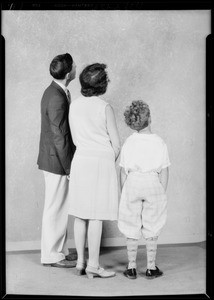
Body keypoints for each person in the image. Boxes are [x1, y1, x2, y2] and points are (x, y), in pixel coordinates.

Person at [68, 63, 120, 278]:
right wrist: (110, 159)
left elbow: (73, 138)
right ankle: (94, 265)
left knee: (80, 214)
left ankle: (80, 262)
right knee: (96, 215)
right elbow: (116, 143)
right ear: (102, 85)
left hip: (80, 159)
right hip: (100, 161)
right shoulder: (104, 107)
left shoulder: (74, 106)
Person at [118, 100, 170, 279]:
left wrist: (124, 191)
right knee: (152, 223)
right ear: (150, 118)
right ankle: (150, 267)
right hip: (152, 183)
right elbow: (164, 171)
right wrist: (161, 192)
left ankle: (131, 267)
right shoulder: (159, 142)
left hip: (132, 182)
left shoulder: (129, 142)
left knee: (131, 223)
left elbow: (123, 171)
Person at [37, 53, 77, 267]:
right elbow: (59, 135)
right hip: (56, 161)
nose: (77, 67)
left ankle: (60, 250)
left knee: (60, 206)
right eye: (75, 65)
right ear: (69, 72)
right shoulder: (56, 96)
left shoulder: (57, 91)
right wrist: (69, 166)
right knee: (55, 208)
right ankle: (51, 255)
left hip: (54, 158)